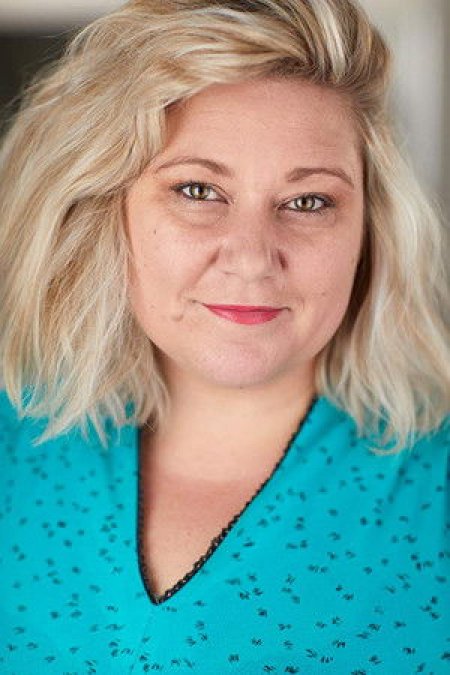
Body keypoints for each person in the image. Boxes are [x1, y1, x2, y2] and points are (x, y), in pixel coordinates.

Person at [0, 0, 448, 672]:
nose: (251, 257)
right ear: (104, 207)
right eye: (198, 191)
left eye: (308, 201)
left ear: (370, 230)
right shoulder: (15, 443)